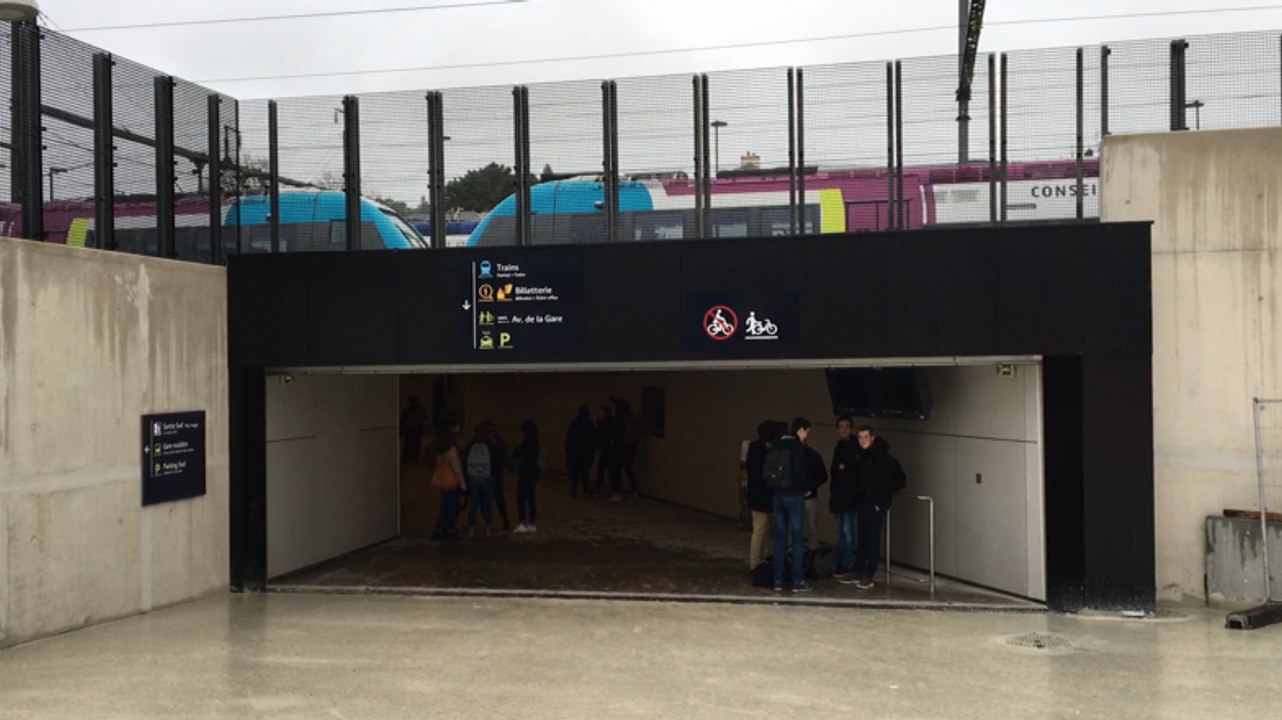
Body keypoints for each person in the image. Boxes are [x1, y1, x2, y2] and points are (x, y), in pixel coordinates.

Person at [851, 425, 907, 589]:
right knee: (862, 537)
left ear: (872, 438)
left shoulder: (884, 459)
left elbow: (897, 481)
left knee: (872, 538)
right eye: (860, 437)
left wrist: (880, 501)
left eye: (865, 437)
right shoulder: (860, 457)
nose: (862, 441)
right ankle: (859, 569)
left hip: (875, 504)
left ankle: (868, 572)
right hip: (863, 503)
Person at [768, 417, 813, 593]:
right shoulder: (797, 447)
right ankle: (797, 581)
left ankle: (777, 580)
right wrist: (806, 488)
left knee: (779, 539)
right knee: (796, 540)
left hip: (777, 495)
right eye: (807, 432)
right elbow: (800, 472)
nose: (806, 436)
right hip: (794, 496)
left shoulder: (777, 444)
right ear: (800, 430)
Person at [743, 420, 779, 570]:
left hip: (756, 495)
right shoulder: (766, 449)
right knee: (759, 531)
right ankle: (755, 563)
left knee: (759, 530)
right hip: (763, 496)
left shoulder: (753, 447)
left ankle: (757, 560)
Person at [828, 416, 859, 582]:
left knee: (847, 532)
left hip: (848, 497)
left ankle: (845, 564)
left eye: (847, 426)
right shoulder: (839, 446)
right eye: (841, 426)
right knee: (840, 532)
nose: (844, 429)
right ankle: (841, 562)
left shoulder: (853, 447)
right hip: (839, 497)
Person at [463, 422, 502, 539]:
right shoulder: (490, 444)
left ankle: (471, 529)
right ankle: (488, 528)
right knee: (487, 504)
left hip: (473, 477)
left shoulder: (471, 444)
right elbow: (496, 461)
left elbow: (465, 460)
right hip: (487, 477)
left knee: (473, 504)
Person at [430, 424, 465, 542]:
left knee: (445, 504)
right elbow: (457, 467)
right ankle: (448, 529)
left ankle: (440, 528)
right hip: (451, 482)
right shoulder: (452, 451)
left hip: (443, 482)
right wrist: (462, 482)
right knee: (452, 505)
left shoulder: (441, 449)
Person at [512, 420, 542, 533]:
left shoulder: (528, 442)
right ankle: (531, 521)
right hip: (532, 472)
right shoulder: (534, 442)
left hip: (526, 472)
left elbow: (518, 453)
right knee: (530, 497)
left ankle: (523, 520)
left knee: (521, 497)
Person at [802, 428, 829, 550]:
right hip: (807, 495)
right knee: (811, 528)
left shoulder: (812, 455)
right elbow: (823, 476)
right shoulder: (813, 455)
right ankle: (812, 553)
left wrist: (811, 488)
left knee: (800, 528)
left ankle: (794, 554)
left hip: (803, 495)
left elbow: (823, 475)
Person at [565, 407, 596, 498]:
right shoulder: (589, 425)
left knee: (576, 473)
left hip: (576, 453)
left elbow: (569, 439)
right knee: (584, 473)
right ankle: (584, 490)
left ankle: (575, 490)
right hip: (584, 454)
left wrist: (569, 451)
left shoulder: (575, 424)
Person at [489, 422, 513, 532]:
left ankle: (504, 518)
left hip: (495, 473)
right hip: (490, 472)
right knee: (490, 498)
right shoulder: (489, 443)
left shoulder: (497, 443)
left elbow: (503, 456)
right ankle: (489, 522)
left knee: (498, 497)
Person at [592, 406, 616, 498]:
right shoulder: (608, 422)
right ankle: (606, 489)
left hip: (607, 449)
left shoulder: (606, 424)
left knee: (605, 470)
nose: (598, 414)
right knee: (604, 470)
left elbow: (602, 434)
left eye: (600, 413)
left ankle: (601, 489)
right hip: (606, 449)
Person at [400, 395, 428, 462]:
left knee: (409, 444)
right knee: (415, 443)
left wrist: (401, 430)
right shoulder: (421, 408)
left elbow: (402, 420)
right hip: (416, 428)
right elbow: (426, 417)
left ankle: (410, 458)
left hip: (411, 428)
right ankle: (414, 458)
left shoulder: (407, 410)